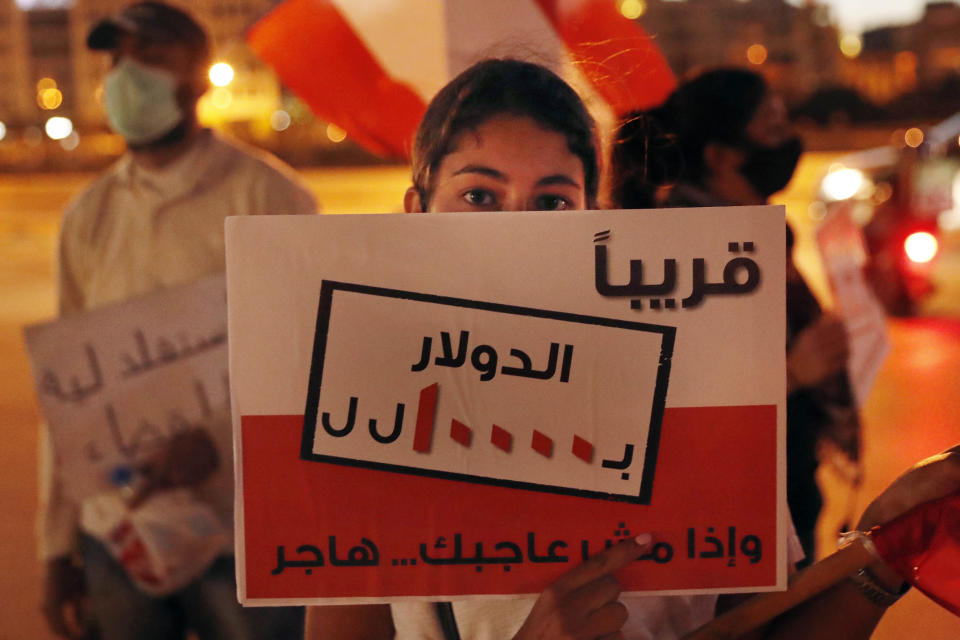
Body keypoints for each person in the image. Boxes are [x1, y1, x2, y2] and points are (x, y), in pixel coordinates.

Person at [302, 58, 956, 640]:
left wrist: (882, 547)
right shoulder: (363, 426)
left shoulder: (695, 402)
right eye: (479, 196)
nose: (518, 233)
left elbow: (755, 624)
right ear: (417, 214)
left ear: (594, 217)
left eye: (552, 202)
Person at [39, 3, 316, 639]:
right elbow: (68, 392)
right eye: (117, 61)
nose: (126, 77)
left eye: (152, 60)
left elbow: (309, 365)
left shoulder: (270, 199)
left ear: (197, 81)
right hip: (117, 531)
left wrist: (221, 446)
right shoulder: (88, 217)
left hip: (242, 533)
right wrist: (55, 548)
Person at [612, 68, 859, 563]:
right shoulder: (674, 249)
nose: (787, 141)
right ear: (720, 156)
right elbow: (668, 396)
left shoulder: (763, 233)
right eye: (770, 127)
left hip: (787, 470)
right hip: (727, 503)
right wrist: (791, 373)